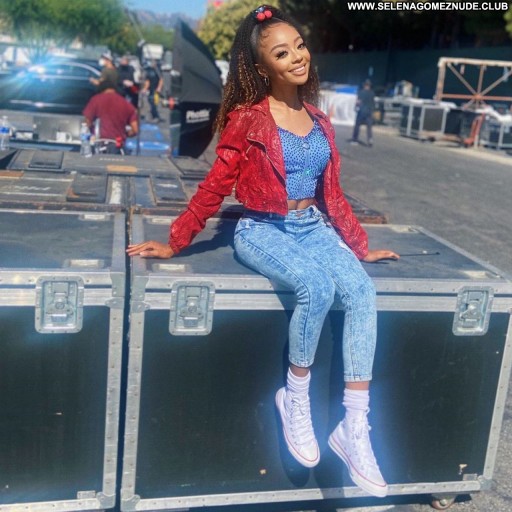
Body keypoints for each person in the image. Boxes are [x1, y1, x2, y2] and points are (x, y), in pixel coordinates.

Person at [127, 4, 399, 498]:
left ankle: (353, 426)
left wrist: (359, 247)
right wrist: (176, 240)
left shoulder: (319, 120)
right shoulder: (247, 120)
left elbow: (332, 194)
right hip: (262, 228)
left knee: (361, 291)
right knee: (315, 287)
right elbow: (215, 184)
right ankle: (294, 397)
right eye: (282, 52)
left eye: (299, 45)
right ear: (262, 67)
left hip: (311, 226)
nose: (297, 56)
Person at [83, 80, 138, 154]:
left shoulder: (96, 100)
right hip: (117, 144)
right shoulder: (125, 104)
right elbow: (135, 129)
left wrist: (91, 132)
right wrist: (125, 133)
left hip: (99, 142)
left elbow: (87, 123)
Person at [351, 79, 375, 147]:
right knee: (369, 127)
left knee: (357, 125)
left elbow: (358, 101)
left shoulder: (361, 92)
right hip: (369, 112)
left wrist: (356, 107)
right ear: (369, 86)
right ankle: (370, 139)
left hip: (362, 111)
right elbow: (373, 103)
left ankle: (355, 140)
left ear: (364, 85)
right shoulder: (372, 93)